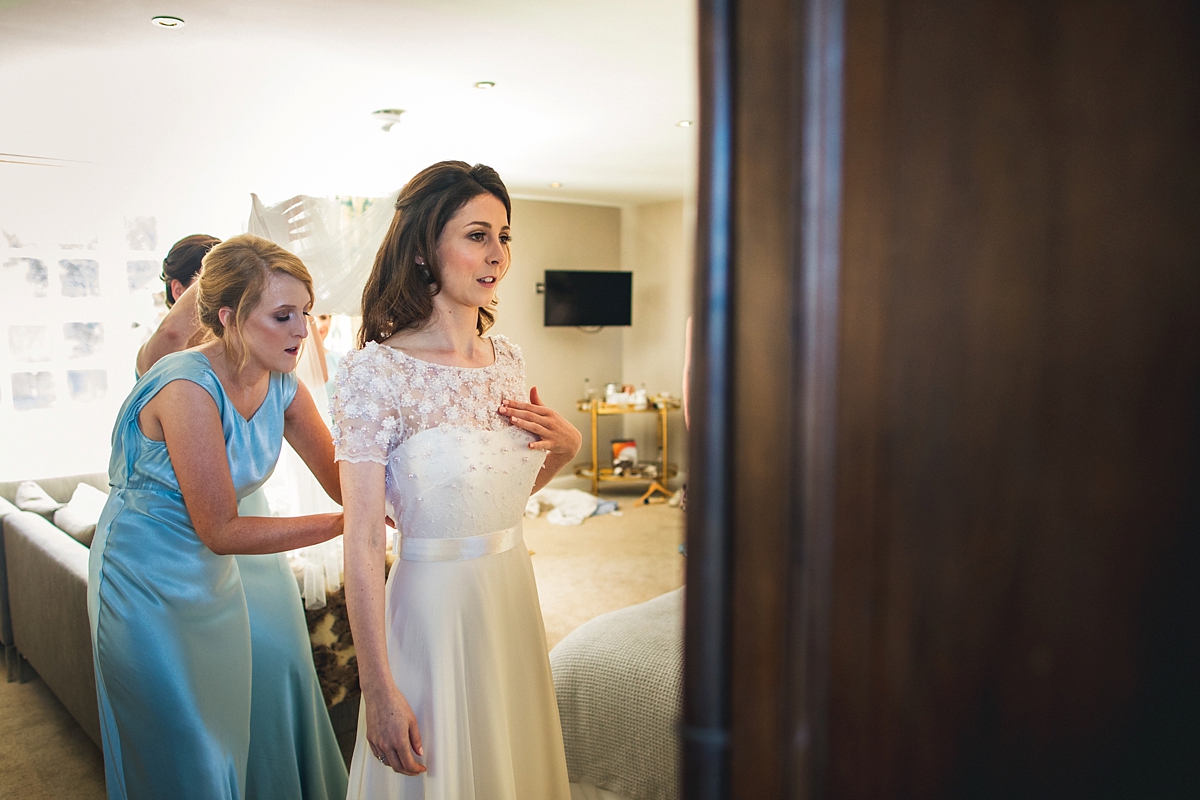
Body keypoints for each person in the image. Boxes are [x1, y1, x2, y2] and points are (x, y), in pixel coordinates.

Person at [333, 161, 582, 798]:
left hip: (510, 597)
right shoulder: (374, 374)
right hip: (430, 610)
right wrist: (378, 687)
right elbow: (361, 541)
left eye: (504, 236)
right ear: (424, 249)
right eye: (477, 235)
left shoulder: (510, 362)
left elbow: (496, 494)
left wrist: (567, 449)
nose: (497, 253)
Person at [89, 234, 348, 800]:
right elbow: (221, 529)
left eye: (304, 312)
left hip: (213, 579)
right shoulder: (185, 384)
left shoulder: (282, 382)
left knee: (225, 739)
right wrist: (340, 525)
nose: (303, 331)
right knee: (187, 752)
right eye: (283, 316)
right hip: (144, 578)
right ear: (229, 318)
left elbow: (343, 476)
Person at [136, 234, 219, 376]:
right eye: (214, 279)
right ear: (178, 290)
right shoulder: (154, 353)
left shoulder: (238, 345)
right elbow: (172, 334)